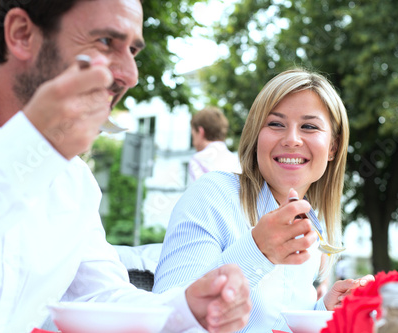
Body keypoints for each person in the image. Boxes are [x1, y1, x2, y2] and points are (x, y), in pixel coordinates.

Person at [0, 1, 251, 332]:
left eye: (132, 50)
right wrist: (34, 148)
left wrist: (187, 308)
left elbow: (99, 296)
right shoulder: (53, 157)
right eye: (105, 42)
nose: (130, 75)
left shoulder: (75, 180)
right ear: (22, 34)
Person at [153, 69, 375, 332]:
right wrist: (258, 251)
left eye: (309, 126)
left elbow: (278, 321)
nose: (292, 139)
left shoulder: (314, 226)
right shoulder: (213, 196)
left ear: (333, 148)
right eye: (276, 124)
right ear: (256, 136)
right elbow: (165, 320)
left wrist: (325, 310)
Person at [188, 106, 241, 183]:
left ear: (200, 131)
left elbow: (197, 193)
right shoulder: (238, 161)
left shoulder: (198, 160)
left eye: (193, 135)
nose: (193, 142)